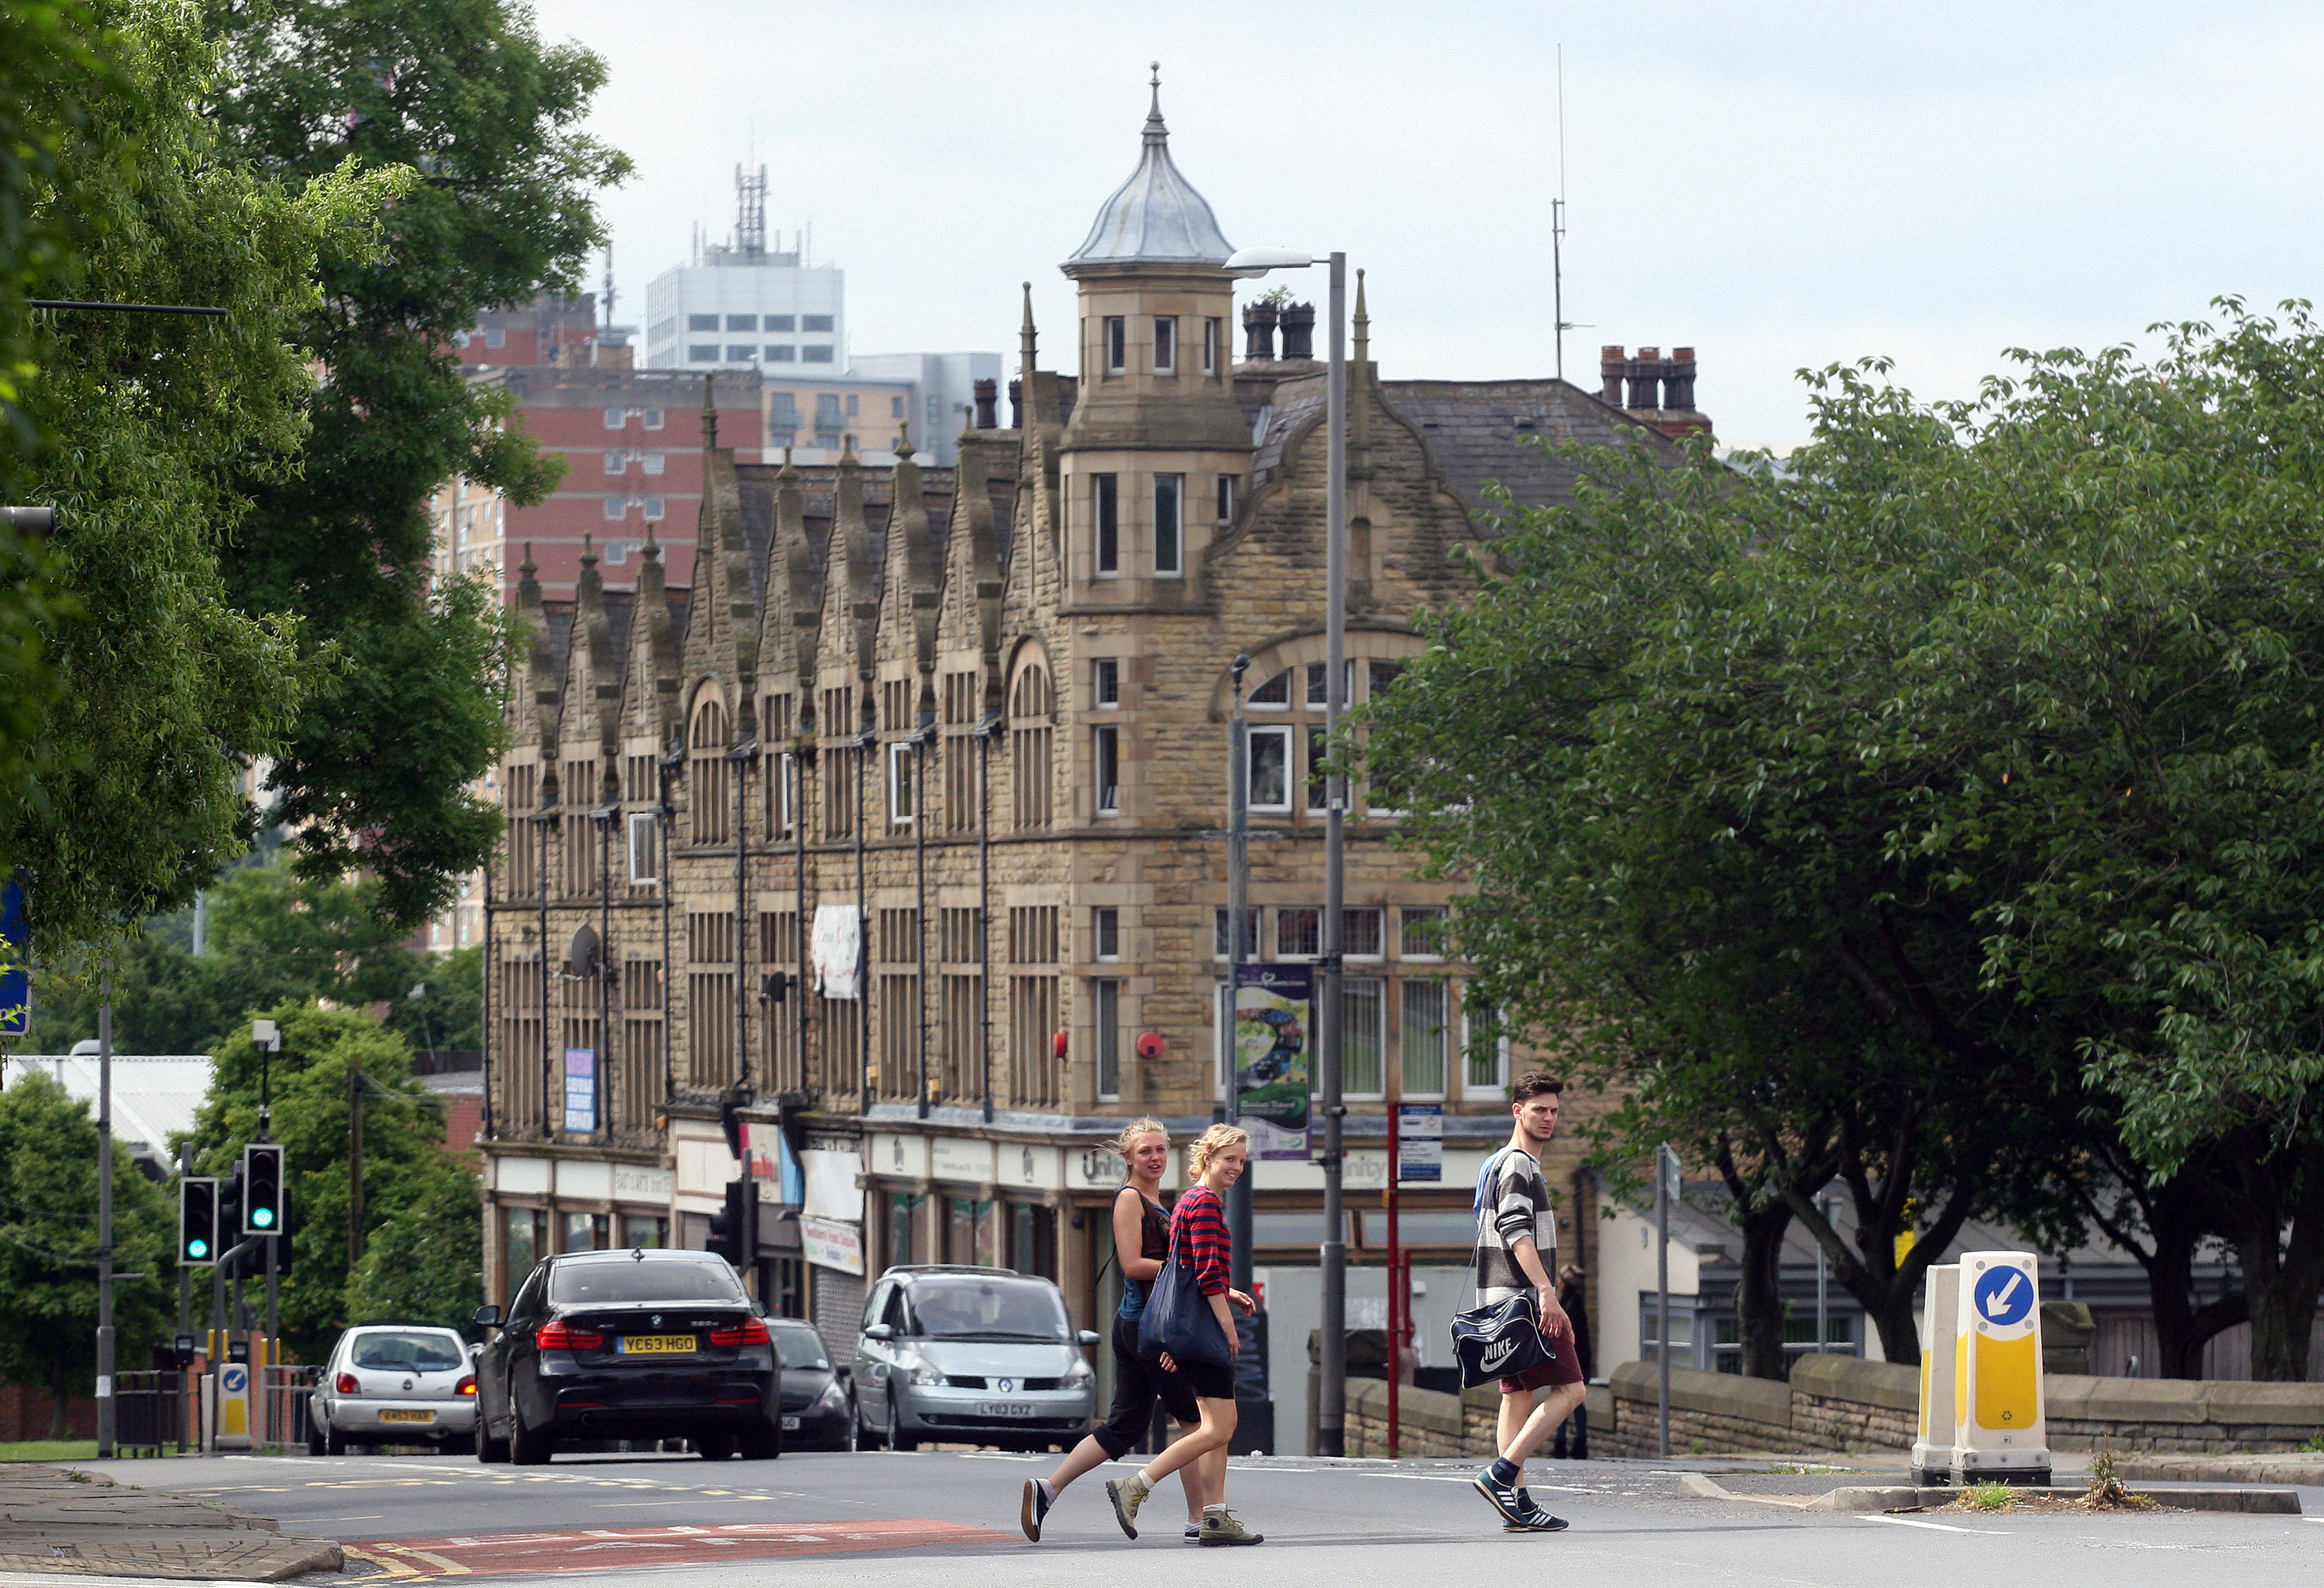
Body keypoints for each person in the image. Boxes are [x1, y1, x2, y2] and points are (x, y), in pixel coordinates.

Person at [1022, 1120, 1216, 1545]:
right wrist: (1185, 1271)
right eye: (1146, 1151)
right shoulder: (1131, 1199)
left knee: (1125, 1427)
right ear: (1128, 1157)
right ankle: (1198, 1518)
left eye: (1161, 1150)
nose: (1155, 1157)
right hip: (1148, 1327)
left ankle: (1047, 1490)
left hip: (1138, 1325)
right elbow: (1132, 1264)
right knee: (1195, 1420)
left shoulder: (1157, 1200)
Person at [1105, 1124, 1263, 1546]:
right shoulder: (1205, 1203)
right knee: (1218, 1427)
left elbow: (1180, 1271)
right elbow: (1207, 1275)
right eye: (1229, 1159)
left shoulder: (1187, 1201)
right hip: (1202, 1330)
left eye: (1241, 1161)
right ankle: (1136, 1485)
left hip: (1184, 1330)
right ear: (1208, 1158)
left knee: (1215, 1426)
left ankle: (1213, 1516)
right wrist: (1229, 1328)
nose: (1237, 1167)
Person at [1470, 1072, 1587, 1532]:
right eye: (1539, 1109)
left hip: (1499, 1301)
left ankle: (1514, 1501)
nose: (1549, 1118)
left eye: (1554, 1110)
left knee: (1517, 1397)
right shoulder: (1517, 1164)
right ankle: (1501, 1475)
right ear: (1517, 1111)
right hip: (1522, 1302)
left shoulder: (1496, 1163)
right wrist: (1546, 1293)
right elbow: (1516, 1232)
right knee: (1573, 1390)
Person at [1549, 1263, 1593, 1460]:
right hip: (1577, 1360)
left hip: (1567, 1360)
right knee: (1574, 1402)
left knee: (1564, 1400)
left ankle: (1564, 1443)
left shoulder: (1567, 1305)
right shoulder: (1575, 1303)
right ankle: (1577, 1443)